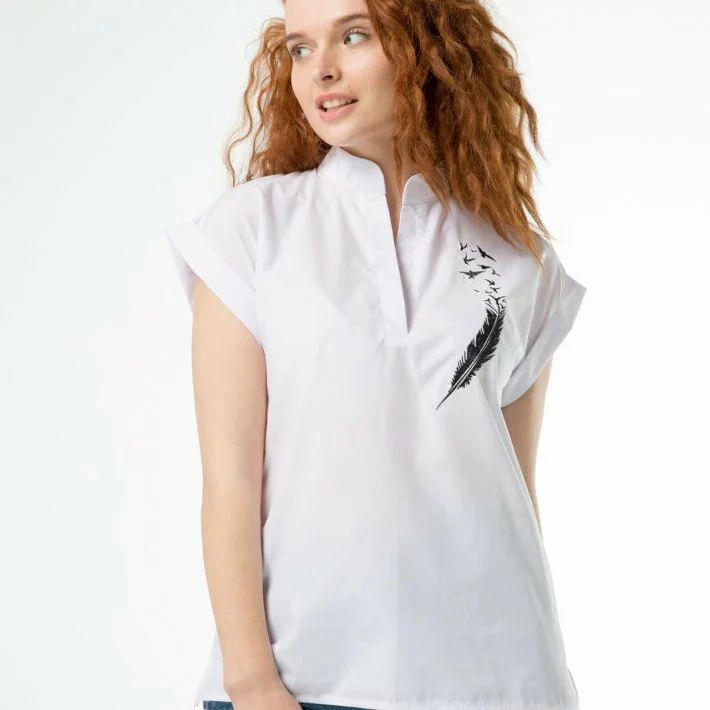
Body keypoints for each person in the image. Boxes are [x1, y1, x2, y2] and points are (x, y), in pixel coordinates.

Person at [165, 0, 587, 709]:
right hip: (306, 680)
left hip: (505, 681)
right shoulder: (250, 232)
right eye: (300, 48)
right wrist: (250, 680)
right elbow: (230, 480)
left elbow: (513, 490)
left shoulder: (520, 259)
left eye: (354, 35)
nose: (321, 70)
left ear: (429, 46)